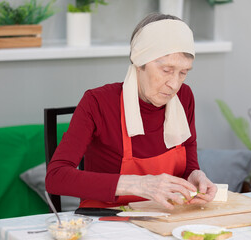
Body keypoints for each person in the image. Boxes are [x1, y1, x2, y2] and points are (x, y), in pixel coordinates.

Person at [45, 12, 217, 210]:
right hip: (107, 219)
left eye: (183, 72)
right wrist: (138, 185)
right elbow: (56, 177)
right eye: (167, 70)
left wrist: (195, 175)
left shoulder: (184, 97)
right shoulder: (97, 103)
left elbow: (189, 163)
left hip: (165, 216)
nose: (174, 84)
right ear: (139, 62)